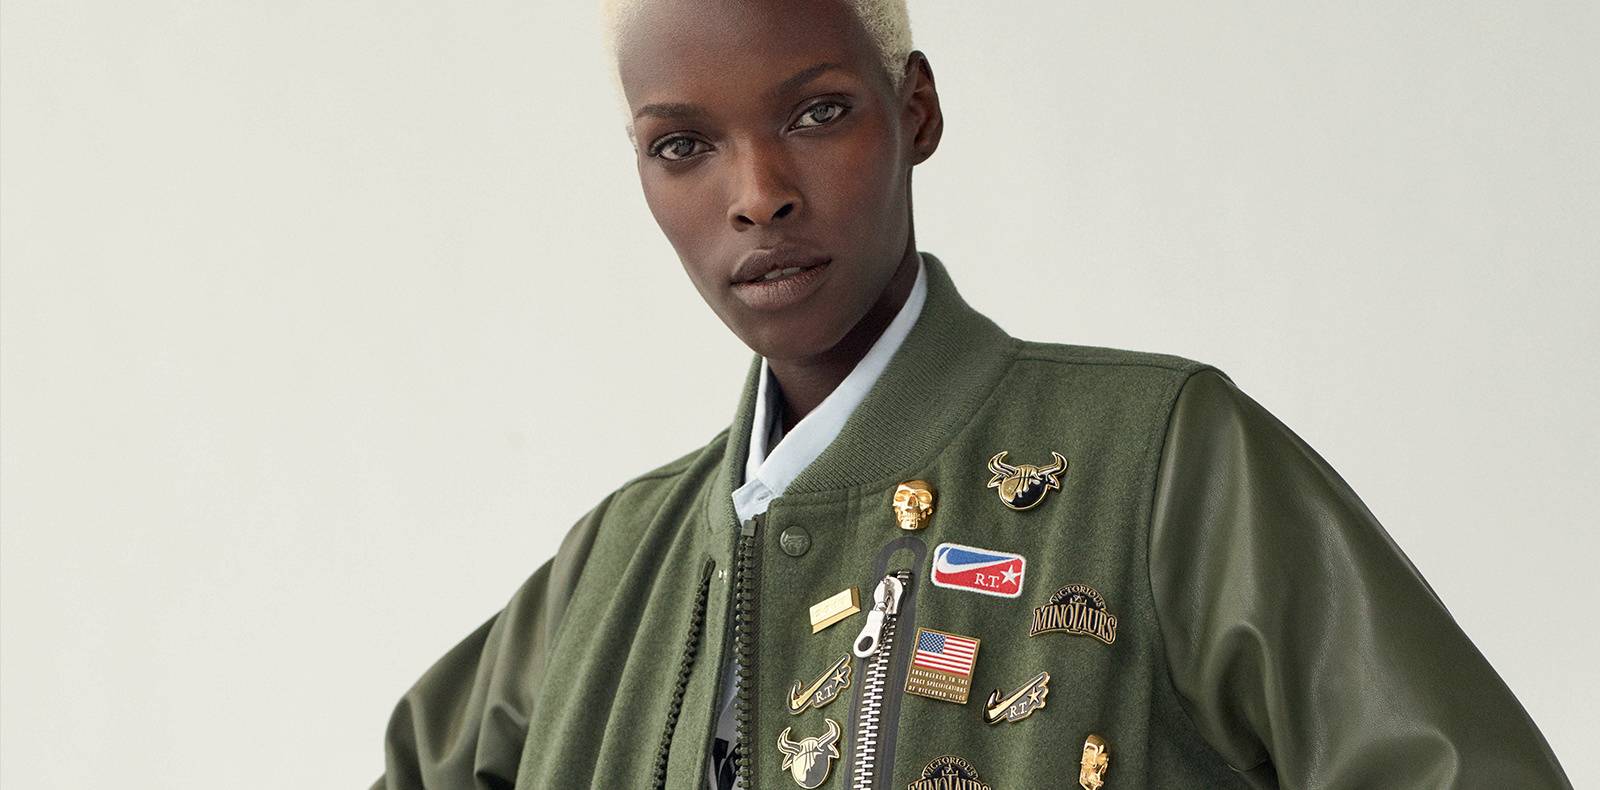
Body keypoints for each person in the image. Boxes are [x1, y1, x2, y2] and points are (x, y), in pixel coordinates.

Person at [373, 1, 1572, 788]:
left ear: (916, 110)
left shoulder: (1157, 461)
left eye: (818, 112)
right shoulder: (614, 564)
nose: (757, 193)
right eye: (682, 145)